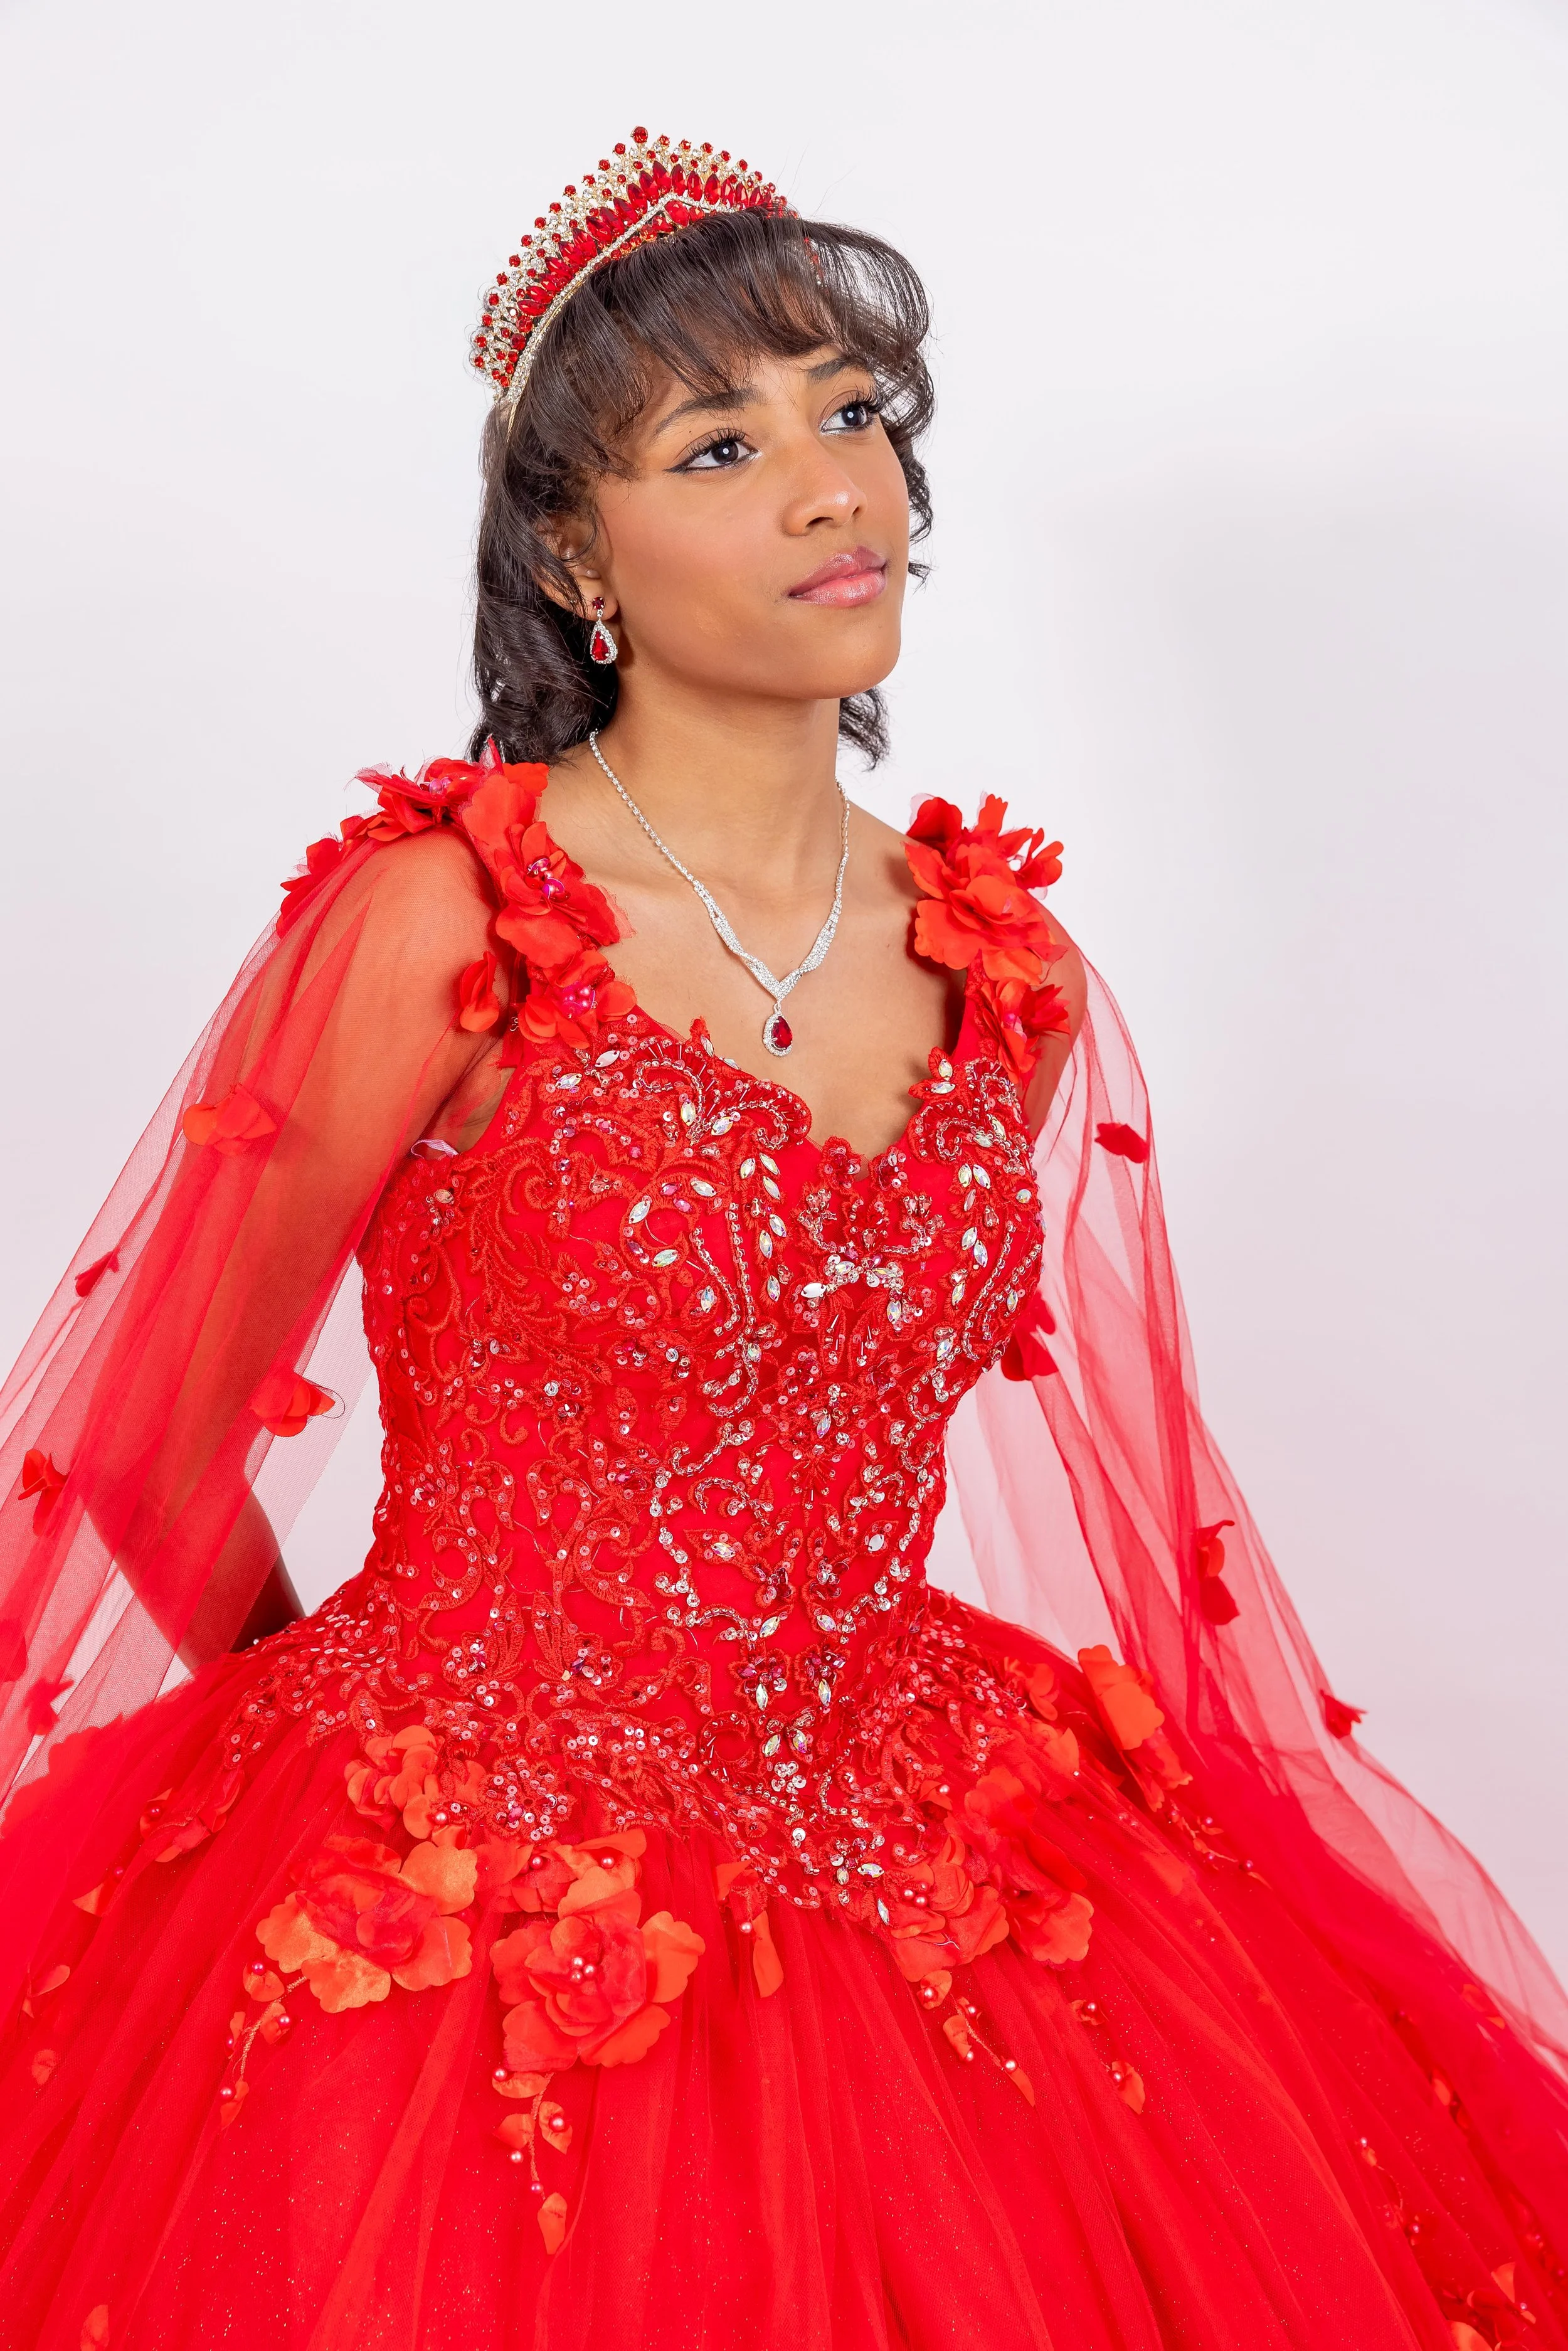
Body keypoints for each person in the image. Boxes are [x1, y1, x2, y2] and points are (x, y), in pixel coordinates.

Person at [0, 128, 1564, 2351]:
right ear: (573, 545)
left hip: (930, 1846)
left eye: (850, 413)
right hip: (463, 1850)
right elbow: (143, 1439)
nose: (831, 486)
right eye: (721, 443)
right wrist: (353, 1769)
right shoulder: (448, 919)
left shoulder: (1000, 975)